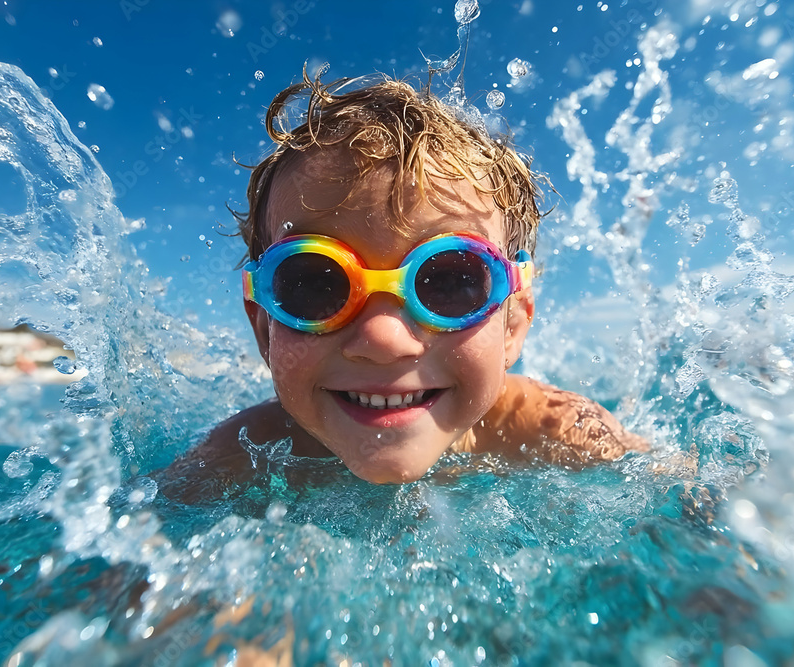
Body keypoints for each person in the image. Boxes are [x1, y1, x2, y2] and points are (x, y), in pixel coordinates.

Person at [163, 69, 647, 496]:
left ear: (514, 324)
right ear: (264, 329)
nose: (383, 340)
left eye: (449, 282)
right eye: (316, 285)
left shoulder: (557, 430)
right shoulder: (237, 457)